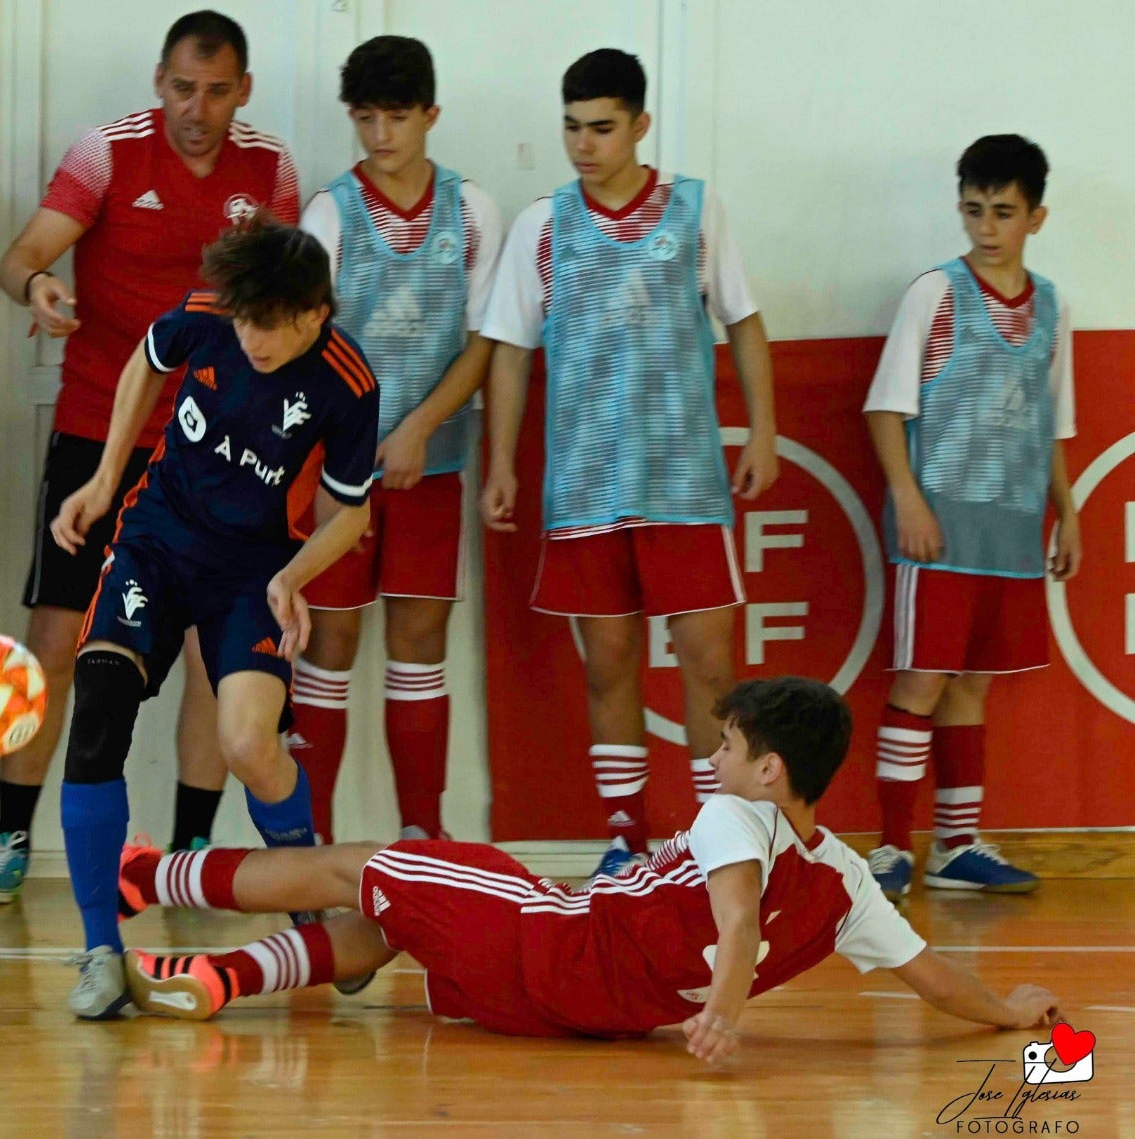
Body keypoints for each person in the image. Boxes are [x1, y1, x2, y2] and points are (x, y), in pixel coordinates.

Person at [115, 677, 1061, 1060]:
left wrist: (723, 1010)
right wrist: (1012, 1014)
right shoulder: (850, 881)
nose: (713, 759)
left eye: (727, 745)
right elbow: (933, 977)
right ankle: (221, 974)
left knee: (358, 865)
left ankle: (150, 875)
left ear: (770, 772)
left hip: (549, 934)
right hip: (572, 1012)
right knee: (404, 920)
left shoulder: (739, 814)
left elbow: (738, 925)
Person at [0, 10, 302, 903]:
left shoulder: (269, 171)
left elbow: (284, 306)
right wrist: (39, 286)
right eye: (181, 88)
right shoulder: (106, 154)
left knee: (213, 657)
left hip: (218, 452)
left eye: (216, 91)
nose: (196, 109)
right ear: (157, 80)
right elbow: (20, 257)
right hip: (97, 435)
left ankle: (190, 855)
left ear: (243, 90)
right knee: (55, 640)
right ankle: (9, 836)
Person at [52, 219, 378, 1020]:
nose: (251, 337)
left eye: (269, 322)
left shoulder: (347, 383)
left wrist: (295, 577)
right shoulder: (211, 312)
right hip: (156, 541)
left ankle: (308, 903)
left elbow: (351, 514)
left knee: (246, 743)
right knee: (97, 704)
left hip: (253, 572)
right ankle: (102, 947)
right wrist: (103, 479)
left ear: (315, 314)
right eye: (242, 319)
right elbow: (144, 362)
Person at [478, 49, 778, 877]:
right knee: (609, 662)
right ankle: (626, 836)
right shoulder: (544, 226)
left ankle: (711, 838)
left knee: (708, 660)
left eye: (602, 127)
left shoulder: (695, 209)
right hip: (583, 485)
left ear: (641, 126)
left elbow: (744, 322)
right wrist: (501, 460)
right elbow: (508, 350)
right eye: (571, 127)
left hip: (684, 481)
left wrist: (761, 428)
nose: (583, 144)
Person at [294, 35, 503, 847]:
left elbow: (485, 340)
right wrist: (338, 449)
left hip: (434, 463)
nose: (382, 134)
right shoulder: (328, 211)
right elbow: (303, 343)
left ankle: (424, 838)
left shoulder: (472, 210)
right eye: (366, 118)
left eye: (398, 116)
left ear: (431, 115)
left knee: (419, 640)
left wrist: (419, 424)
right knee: (331, 639)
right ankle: (305, 845)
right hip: (337, 465)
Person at [863, 135, 1079, 900]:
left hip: (1013, 529)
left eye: (1004, 213)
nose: (986, 227)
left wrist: (1068, 509)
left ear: (1036, 217)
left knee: (972, 686)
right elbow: (886, 409)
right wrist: (909, 500)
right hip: (941, 526)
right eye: (974, 210)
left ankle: (957, 845)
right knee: (922, 678)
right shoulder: (936, 294)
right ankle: (891, 849)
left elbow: (1053, 421)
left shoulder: (1050, 305)